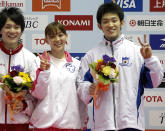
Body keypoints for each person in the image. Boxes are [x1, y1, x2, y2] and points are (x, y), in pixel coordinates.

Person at [77, 2, 163, 131]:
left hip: (131, 124)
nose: (110, 25)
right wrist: (89, 89)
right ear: (99, 26)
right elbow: (81, 87)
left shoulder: (137, 52)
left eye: (114, 20)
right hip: (102, 126)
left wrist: (149, 59)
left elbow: (154, 82)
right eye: (105, 22)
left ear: (122, 23)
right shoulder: (92, 55)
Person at [30, 21, 88, 131]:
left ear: (66, 37)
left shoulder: (77, 64)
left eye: (60, 35)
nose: (57, 39)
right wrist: (44, 72)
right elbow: (38, 94)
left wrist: (82, 122)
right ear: (46, 40)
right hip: (44, 125)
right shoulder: (37, 62)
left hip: (70, 125)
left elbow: (81, 99)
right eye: (52, 36)